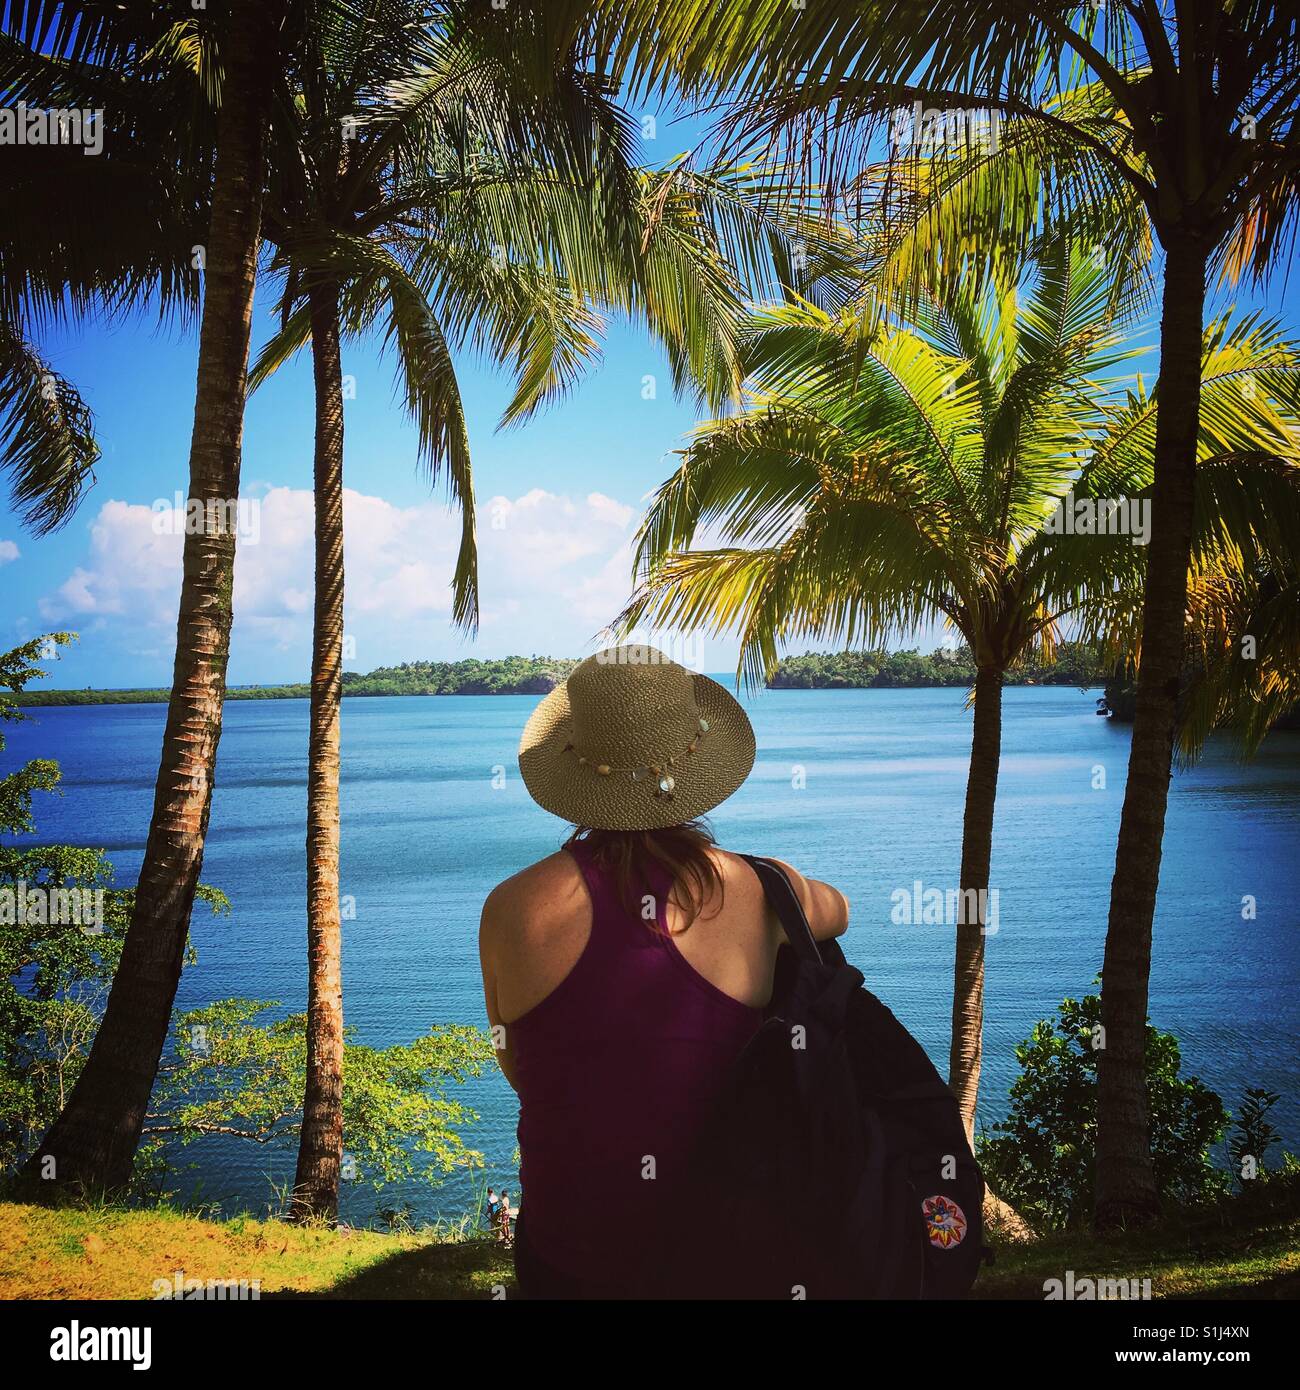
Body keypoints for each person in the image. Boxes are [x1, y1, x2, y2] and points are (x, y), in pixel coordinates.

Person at [478, 646, 849, 1299]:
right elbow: (837, 912)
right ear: (698, 760)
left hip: (567, 1256)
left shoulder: (510, 909)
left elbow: (520, 1070)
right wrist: (763, 883)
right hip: (730, 1256)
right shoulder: (761, 891)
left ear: (577, 768)